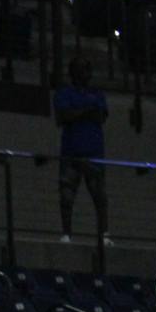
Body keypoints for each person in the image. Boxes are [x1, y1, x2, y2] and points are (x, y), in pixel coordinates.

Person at [50, 56, 108, 245]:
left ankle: (104, 235)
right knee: (67, 196)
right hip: (71, 153)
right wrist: (86, 111)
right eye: (79, 69)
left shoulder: (97, 94)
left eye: (86, 69)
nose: (83, 73)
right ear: (71, 73)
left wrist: (77, 112)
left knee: (99, 197)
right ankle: (66, 233)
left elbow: (100, 116)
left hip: (94, 154)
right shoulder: (64, 93)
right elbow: (63, 116)